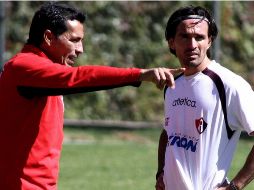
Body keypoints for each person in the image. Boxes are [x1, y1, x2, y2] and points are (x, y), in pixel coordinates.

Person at [0, 2, 184, 190]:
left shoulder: (44, 71)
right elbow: (77, 77)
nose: (80, 49)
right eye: (73, 40)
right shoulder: (24, 67)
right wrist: (138, 74)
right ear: (48, 37)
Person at [155, 5, 254, 190]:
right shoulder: (172, 85)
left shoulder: (229, 85)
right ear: (171, 42)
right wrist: (161, 173)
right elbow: (168, 133)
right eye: (184, 36)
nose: (192, 45)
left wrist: (235, 186)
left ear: (209, 41)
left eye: (199, 37)